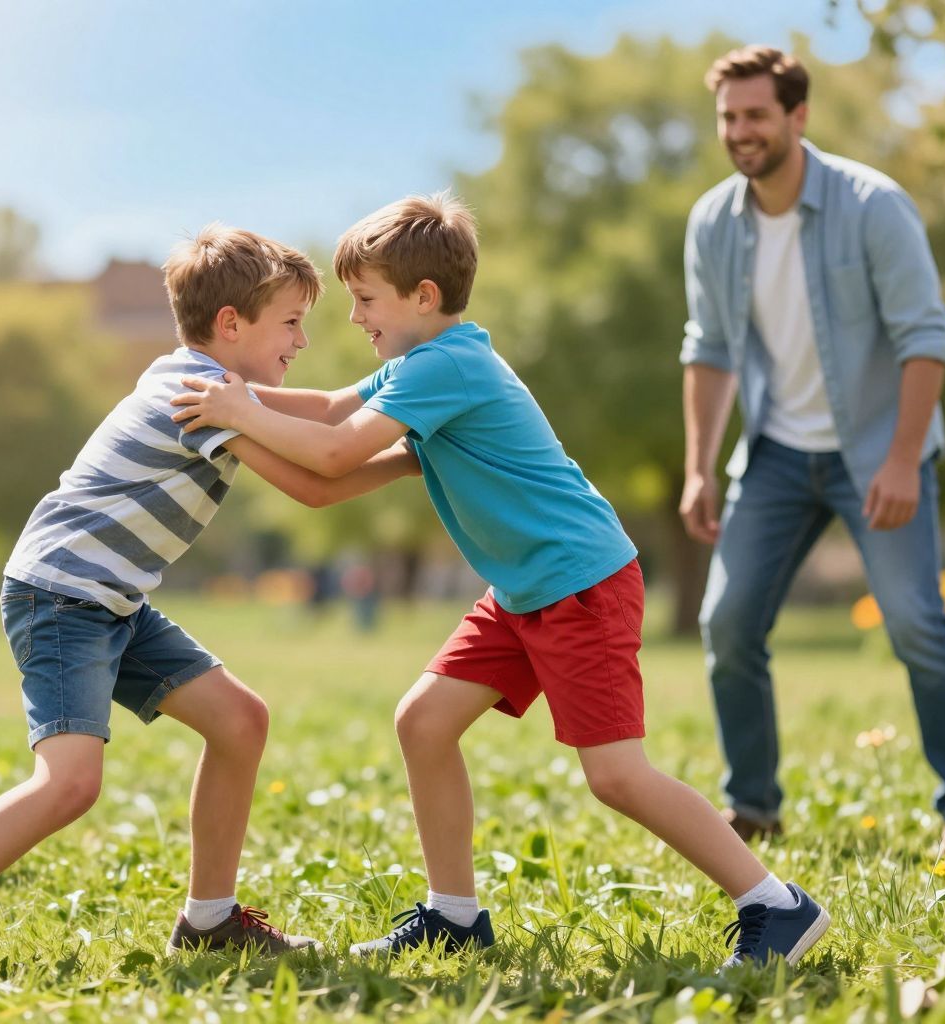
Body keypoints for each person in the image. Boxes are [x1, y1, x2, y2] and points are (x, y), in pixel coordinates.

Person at [172, 192, 830, 968]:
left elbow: (334, 453)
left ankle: (777, 906)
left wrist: (234, 410)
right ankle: (455, 915)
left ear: (424, 297)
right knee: (425, 722)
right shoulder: (422, 364)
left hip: (578, 583)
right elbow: (322, 416)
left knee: (617, 775)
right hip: (522, 592)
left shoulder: (447, 365)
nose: (355, 320)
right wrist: (221, 395)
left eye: (365, 300)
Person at [0, 226, 421, 976]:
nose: (303, 339)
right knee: (70, 783)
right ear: (230, 325)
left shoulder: (211, 382)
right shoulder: (197, 398)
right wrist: (409, 458)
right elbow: (313, 485)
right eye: (289, 322)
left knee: (240, 720)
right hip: (61, 595)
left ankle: (210, 921)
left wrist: (417, 380)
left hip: (109, 600)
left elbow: (320, 408)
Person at [678, 45, 945, 853]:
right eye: (729, 118)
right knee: (729, 623)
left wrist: (900, 459)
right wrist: (698, 466)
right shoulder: (714, 222)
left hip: (877, 451)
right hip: (777, 455)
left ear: (797, 116)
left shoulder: (872, 206)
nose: (741, 132)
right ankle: (753, 805)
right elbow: (708, 349)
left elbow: (928, 340)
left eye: (755, 115)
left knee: (917, 624)